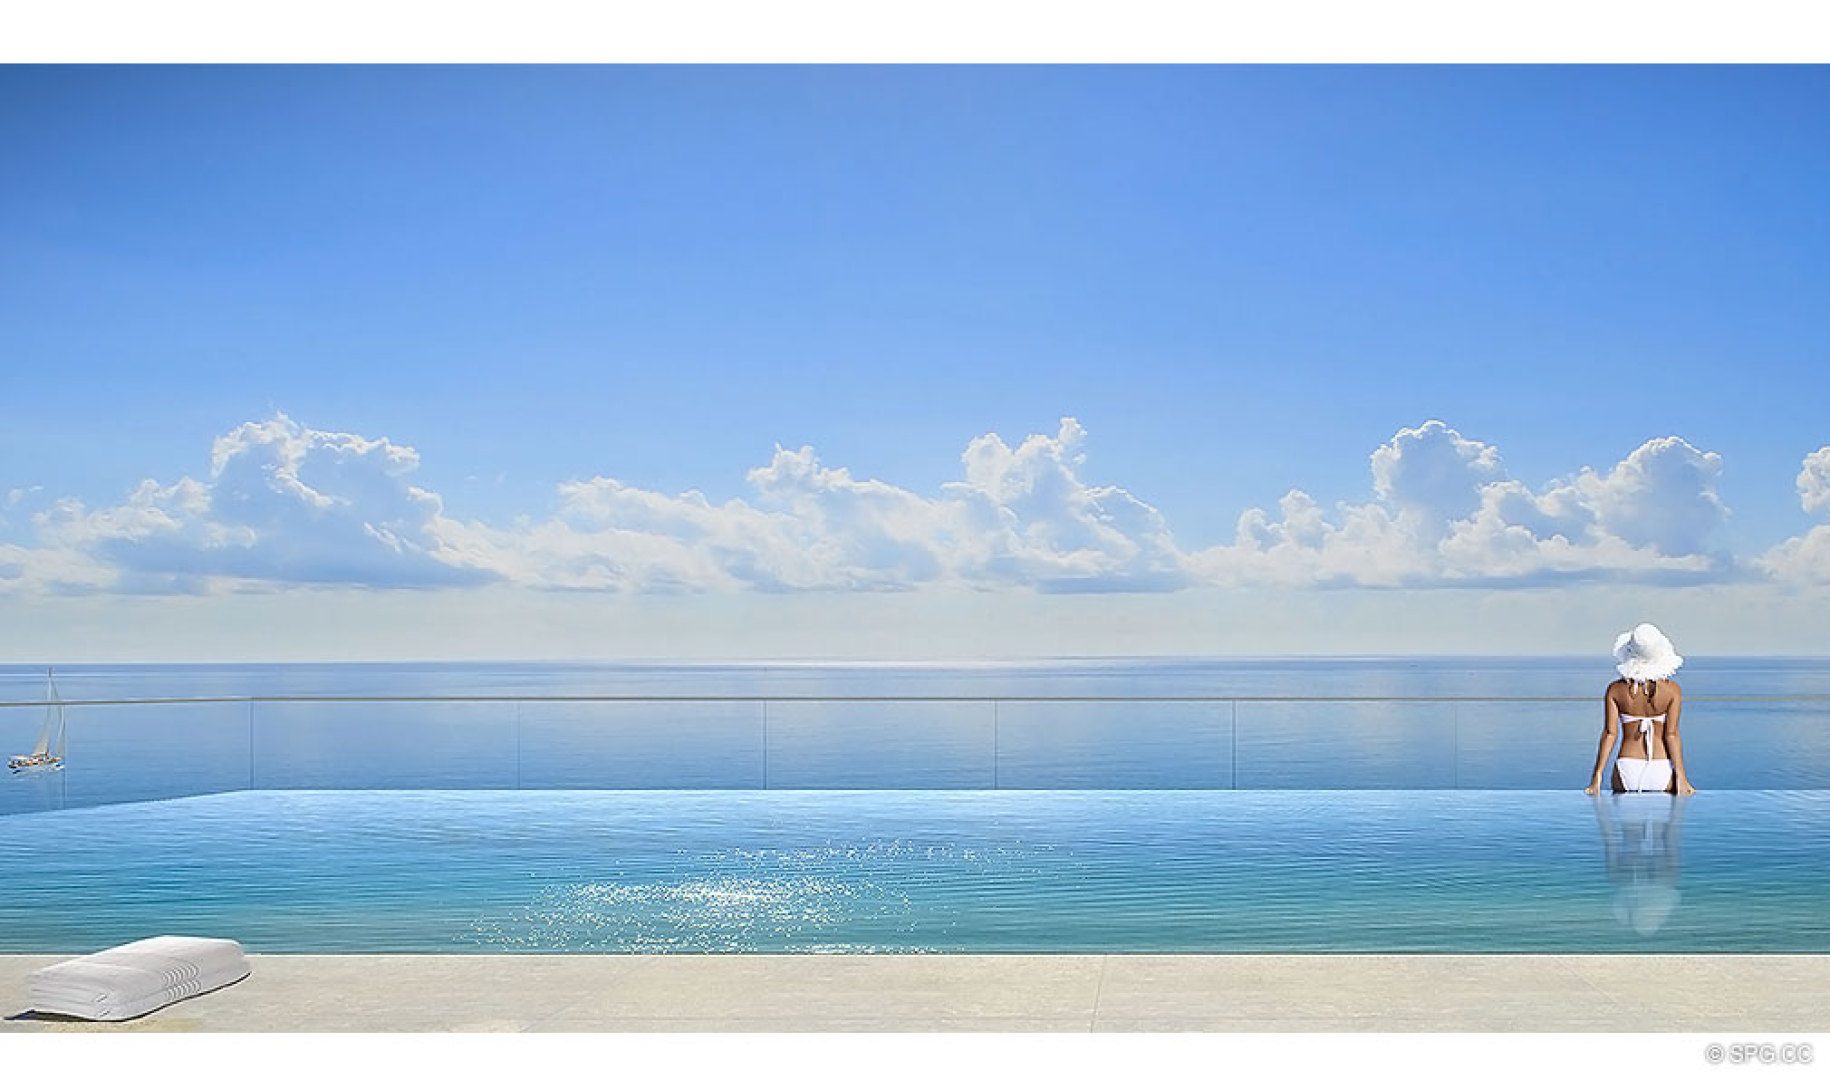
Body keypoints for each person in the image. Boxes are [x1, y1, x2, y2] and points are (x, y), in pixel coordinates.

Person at [1584, 623, 1697, 796]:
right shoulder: (1673, 691)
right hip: (1662, 769)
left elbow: (1610, 734)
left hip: (1626, 769)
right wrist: (1681, 777)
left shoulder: (1615, 690)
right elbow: (1671, 735)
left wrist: (1596, 777)